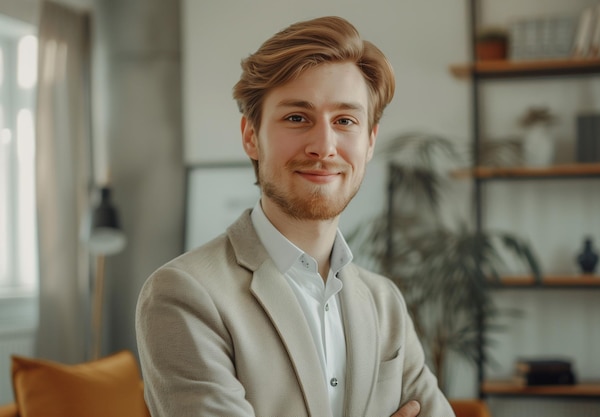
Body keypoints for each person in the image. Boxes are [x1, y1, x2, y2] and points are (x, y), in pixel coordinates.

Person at [136, 15, 455, 417]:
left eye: (345, 121)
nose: (324, 146)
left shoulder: (384, 303)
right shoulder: (184, 295)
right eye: (297, 118)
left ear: (370, 141)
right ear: (251, 136)